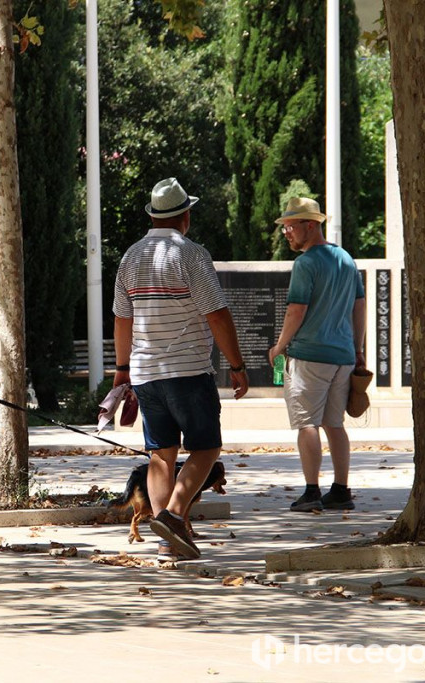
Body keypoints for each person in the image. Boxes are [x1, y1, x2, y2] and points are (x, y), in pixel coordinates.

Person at [113, 177, 249, 562]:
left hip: (145, 373)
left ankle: (166, 541)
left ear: (153, 216)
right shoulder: (190, 254)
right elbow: (217, 314)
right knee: (207, 448)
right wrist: (237, 365)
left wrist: (122, 369)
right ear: (185, 216)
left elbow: (122, 319)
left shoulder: (130, 257)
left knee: (161, 455)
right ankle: (172, 517)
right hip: (187, 370)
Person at [268, 197, 366, 512]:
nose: (286, 232)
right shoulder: (346, 259)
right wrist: (358, 348)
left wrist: (279, 347)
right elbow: (359, 306)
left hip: (309, 356)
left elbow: (296, 310)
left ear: (310, 225)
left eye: (290, 226)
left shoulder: (306, 263)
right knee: (334, 424)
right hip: (343, 356)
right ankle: (341, 490)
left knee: (307, 423)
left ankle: (311, 491)